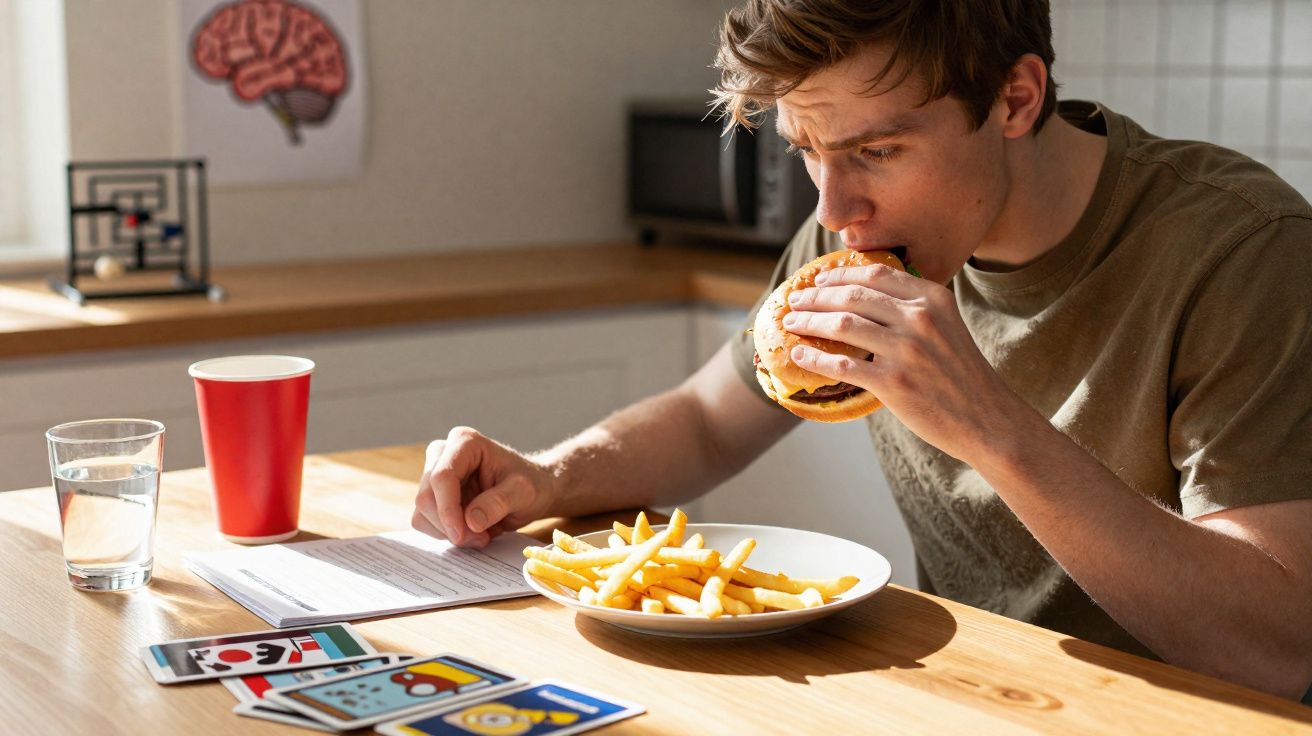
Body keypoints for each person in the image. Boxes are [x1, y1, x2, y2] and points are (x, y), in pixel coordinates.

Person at [411, 0, 1312, 701]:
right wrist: (545, 478)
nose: (836, 208)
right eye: (809, 149)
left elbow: (1276, 647)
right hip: (973, 695)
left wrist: (990, 425)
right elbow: (705, 421)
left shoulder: (1243, 251)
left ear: (1015, 97)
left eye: (878, 150)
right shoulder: (857, 229)